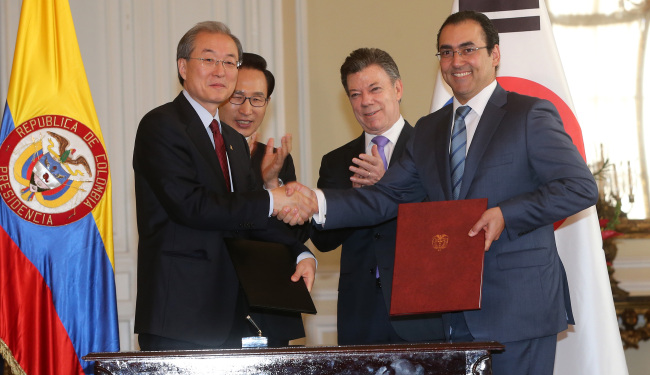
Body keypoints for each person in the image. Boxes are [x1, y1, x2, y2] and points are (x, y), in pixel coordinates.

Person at [287, 10, 598, 374]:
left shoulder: (529, 114)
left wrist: (506, 214)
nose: (456, 61)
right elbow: (387, 197)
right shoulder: (430, 129)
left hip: (519, 307)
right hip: (451, 312)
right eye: (446, 52)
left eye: (468, 49)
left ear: (494, 55)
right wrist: (316, 203)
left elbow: (579, 187)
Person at [133, 21, 316, 351]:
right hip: (180, 314)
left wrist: (300, 251)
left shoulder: (231, 140)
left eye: (230, 61)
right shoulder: (161, 126)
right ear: (183, 67)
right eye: (209, 59)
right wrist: (272, 200)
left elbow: (246, 219)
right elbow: (193, 206)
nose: (221, 70)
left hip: (234, 313)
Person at [309, 48, 444, 345]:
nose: (366, 101)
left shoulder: (431, 150)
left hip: (421, 308)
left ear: (397, 89)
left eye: (374, 89)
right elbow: (323, 241)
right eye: (355, 94)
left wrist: (387, 187)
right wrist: (354, 202)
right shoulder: (336, 161)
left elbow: (443, 223)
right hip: (360, 313)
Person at [219, 52, 307, 347]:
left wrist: (272, 182)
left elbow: (296, 233)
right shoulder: (202, 154)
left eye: (257, 99)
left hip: (267, 309)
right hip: (210, 307)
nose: (246, 109)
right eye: (237, 96)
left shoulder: (276, 159)